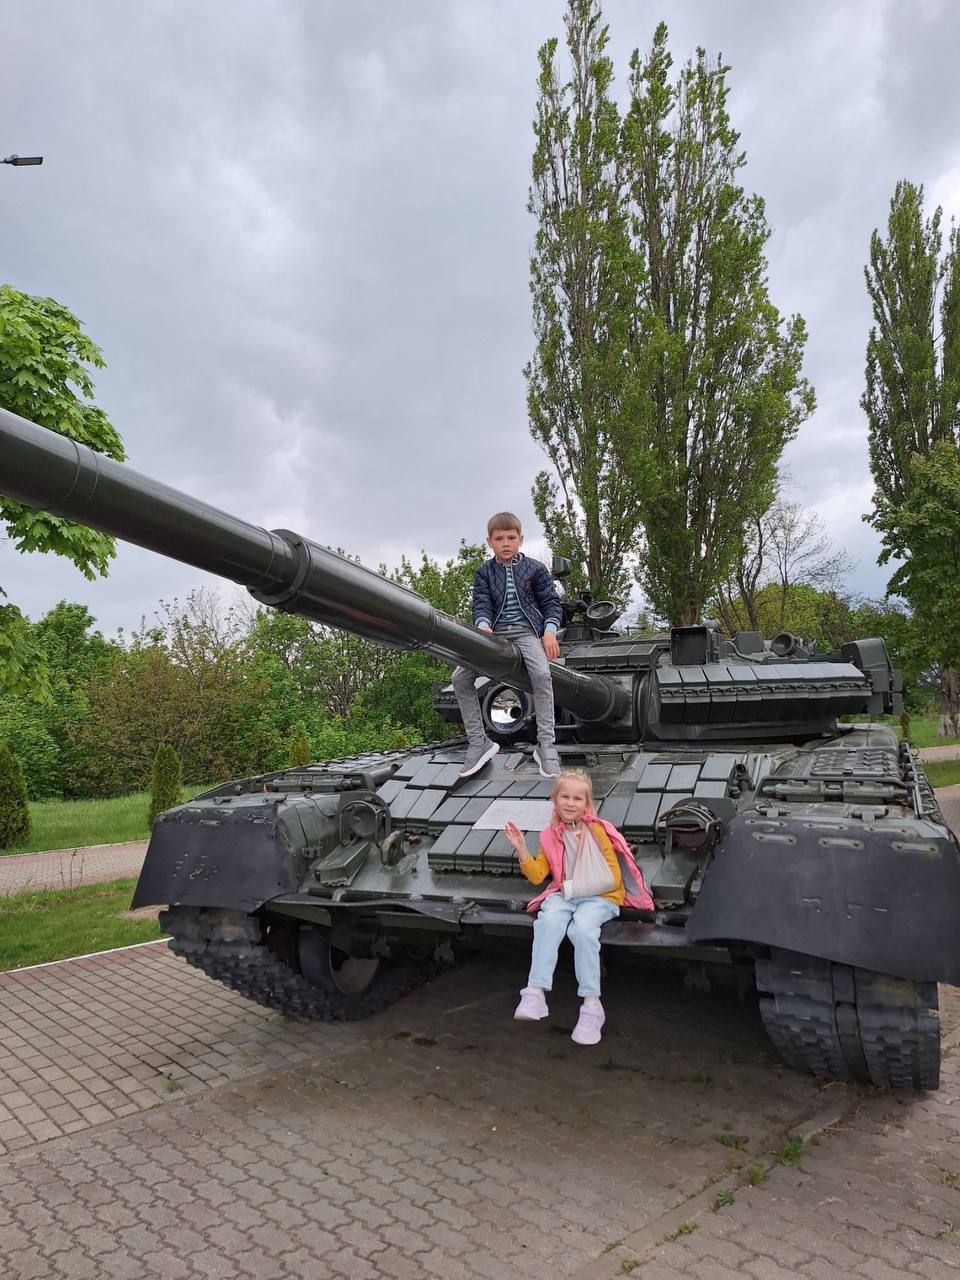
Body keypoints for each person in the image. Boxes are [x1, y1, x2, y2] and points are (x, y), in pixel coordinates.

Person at [504, 769, 654, 1046]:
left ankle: (592, 1005)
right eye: (565, 797)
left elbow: (612, 878)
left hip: (601, 896)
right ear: (554, 799)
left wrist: (572, 888)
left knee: (582, 929)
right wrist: (522, 848)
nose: (570, 803)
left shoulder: (597, 830)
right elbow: (537, 876)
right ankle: (535, 992)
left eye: (577, 798)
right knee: (548, 920)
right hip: (565, 895)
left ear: (587, 803)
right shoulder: (549, 835)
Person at [452, 511, 563, 779]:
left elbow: (551, 603)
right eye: (499, 539)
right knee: (459, 677)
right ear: (490, 542)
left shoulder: (535, 569)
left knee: (542, 675)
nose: (505, 543)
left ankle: (546, 744)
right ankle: (479, 742)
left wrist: (549, 632)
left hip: (526, 633)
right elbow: (481, 603)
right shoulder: (484, 572)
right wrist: (482, 626)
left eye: (511, 538)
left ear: (520, 539)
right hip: (494, 634)